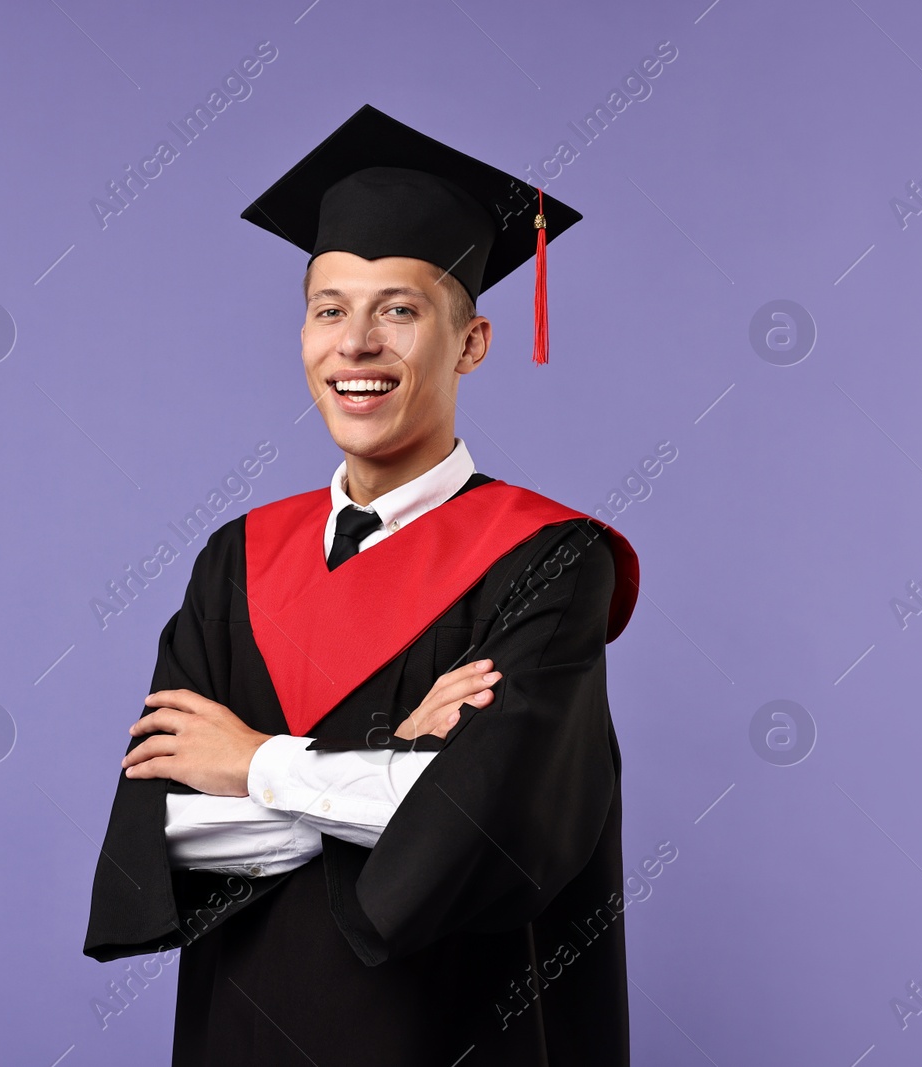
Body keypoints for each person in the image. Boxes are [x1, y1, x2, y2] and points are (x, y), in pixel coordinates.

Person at [83, 103, 641, 1066]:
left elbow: (492, 835)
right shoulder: (237, 557)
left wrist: (255, 762)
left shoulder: (550, 560)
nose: (356, 343)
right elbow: (164, 827)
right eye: (330, 307)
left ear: (470, 344)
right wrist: (394, 772)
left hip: (450, 1035)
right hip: (242, 1032)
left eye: (400, 309)